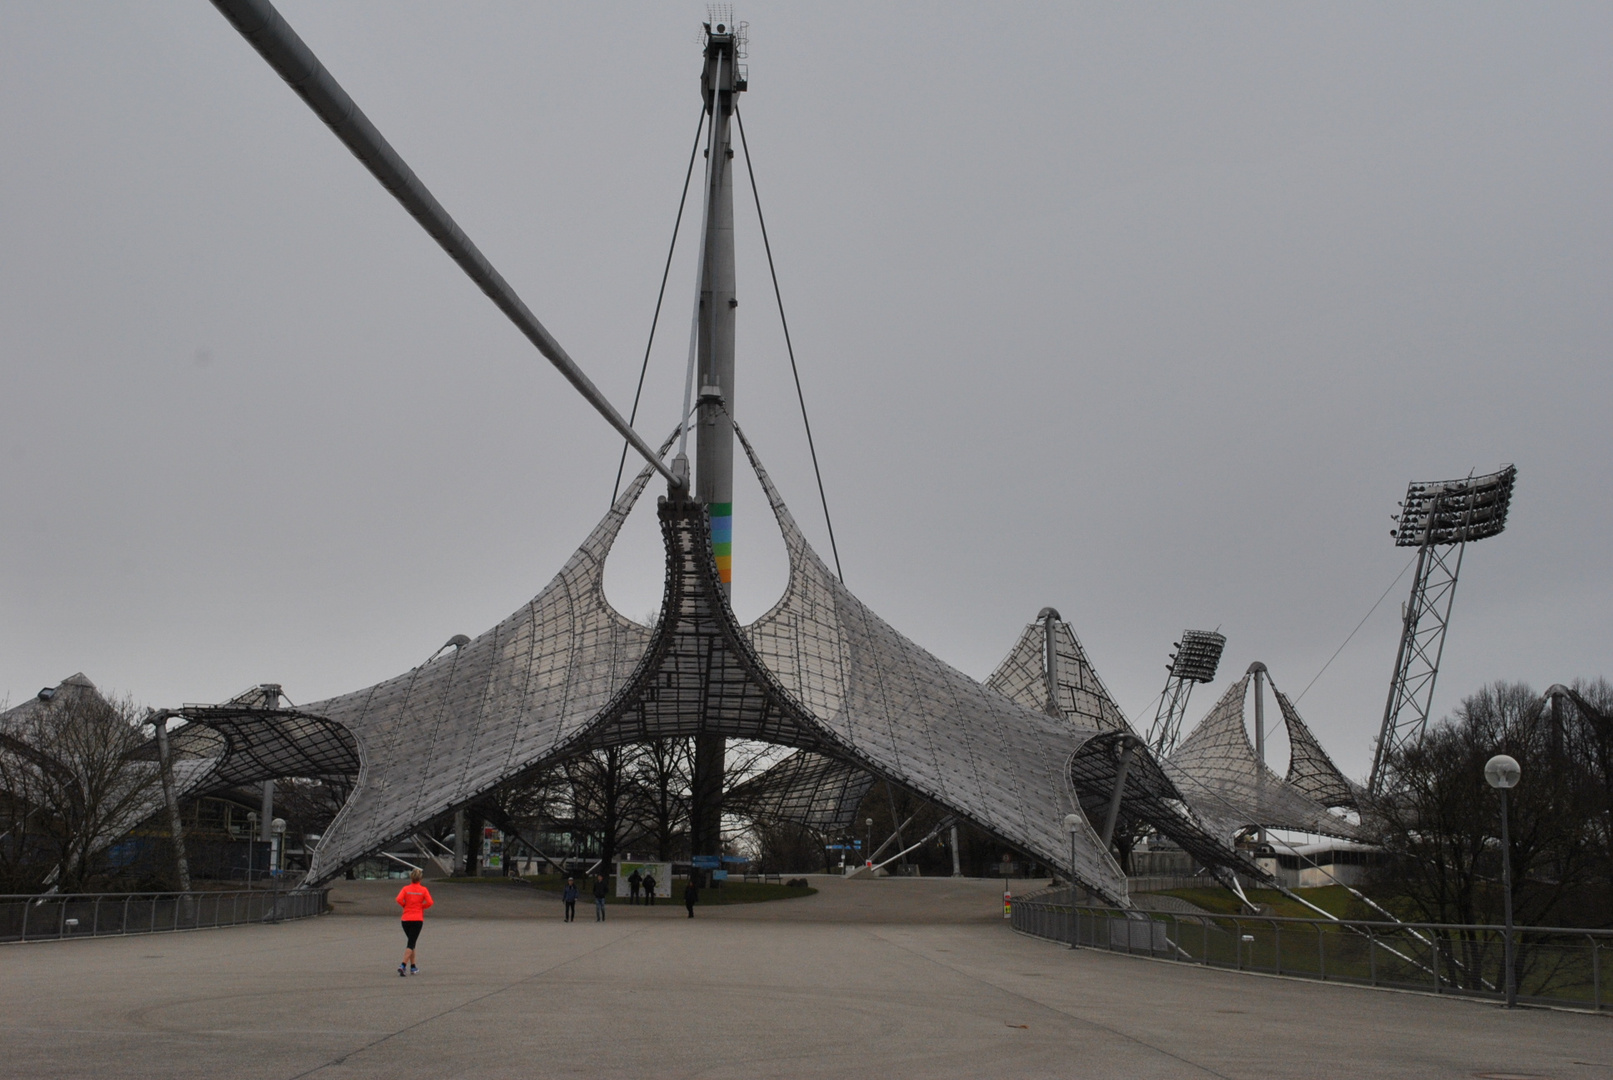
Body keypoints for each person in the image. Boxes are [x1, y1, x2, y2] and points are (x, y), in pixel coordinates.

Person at [395, 867, 433, 976]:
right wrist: (421, 906)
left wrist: (405, 905)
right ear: (420, 879)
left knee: (412, 943)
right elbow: (430, 902)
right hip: (417, 919)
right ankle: (403, 965)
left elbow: (398, 899)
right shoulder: (423, 890)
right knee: (411, 943)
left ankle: (413, 966)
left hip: (406, 919)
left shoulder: (406, 889)